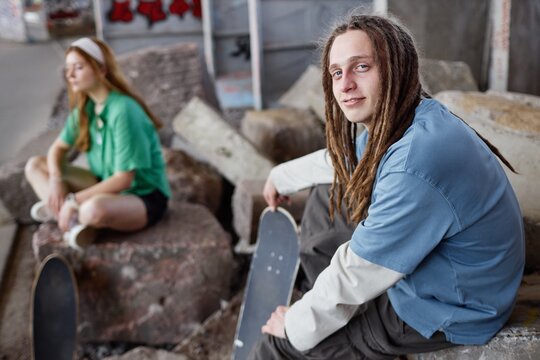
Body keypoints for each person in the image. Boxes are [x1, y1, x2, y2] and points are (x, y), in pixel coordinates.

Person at [250, 13, 525, 360]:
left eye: (361, 67)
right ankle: (324, 305)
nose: (345, 84)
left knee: (275, 349)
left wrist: (295, 327)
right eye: (337, 72)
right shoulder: (409, 118)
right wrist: (281, 176)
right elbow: (347, 161)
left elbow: (357, 272)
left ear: (397, 69)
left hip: (451, 306)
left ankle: (330, 324)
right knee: (326, 192)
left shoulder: (417, 161)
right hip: (447, 270)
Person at [25, 37, 171, 250]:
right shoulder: (86, 109)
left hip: (142, 196)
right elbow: (57, 149)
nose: (70, 75)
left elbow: (124, 180)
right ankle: (72, 221)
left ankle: (72, 215)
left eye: (79, 67)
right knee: (35, 165)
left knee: (92, 210)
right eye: (68, 69)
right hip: (102, 182)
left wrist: (73, 200)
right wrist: (56, 180)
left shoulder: (124, 110)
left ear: (101, 69)